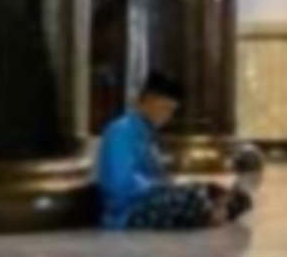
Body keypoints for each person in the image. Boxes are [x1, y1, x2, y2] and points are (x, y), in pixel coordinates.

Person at [97, 72, 252, 230]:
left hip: (153, 198)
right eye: (166, 108)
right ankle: (213, 212)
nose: (168, 116)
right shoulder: (120, 132)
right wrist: (163, 188)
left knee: (234, 195)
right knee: (192, 197)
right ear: (148, 100)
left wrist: (191, 186)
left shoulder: (148, 136)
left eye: (172, 111)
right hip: (128, 212)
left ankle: (214, 210)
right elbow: (120, 187)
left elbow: (159, 179)